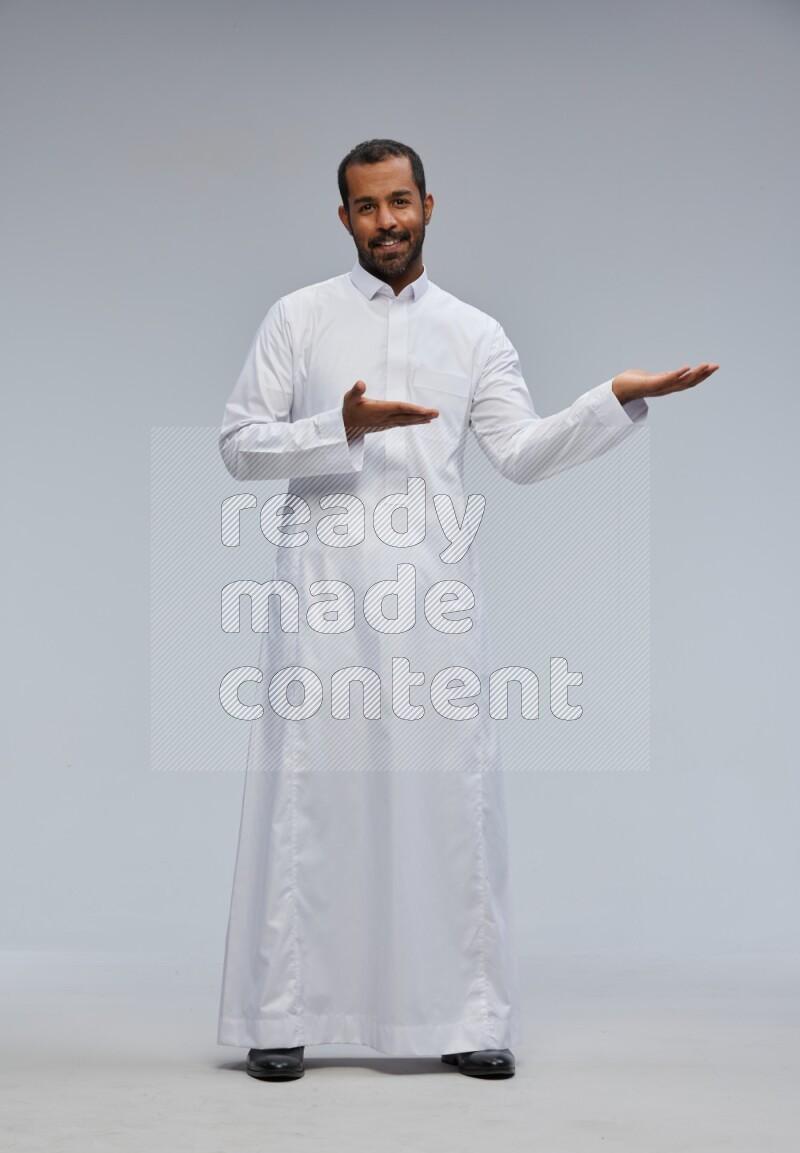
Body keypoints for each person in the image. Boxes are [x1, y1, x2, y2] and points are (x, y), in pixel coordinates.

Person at [216, 138, 718, 1082]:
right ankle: (284, 1015)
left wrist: (613, 400)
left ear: (429, 204)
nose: (386, 222)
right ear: (343, 219)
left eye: (399, 201)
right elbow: (240, 446)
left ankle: (467, 1014)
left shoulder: (474, 333)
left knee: (447, 797)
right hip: (322, 599)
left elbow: (521, 452)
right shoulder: (300, 318)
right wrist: (340, 427)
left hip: (433, 607)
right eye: (366, 207)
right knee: (311, 797)